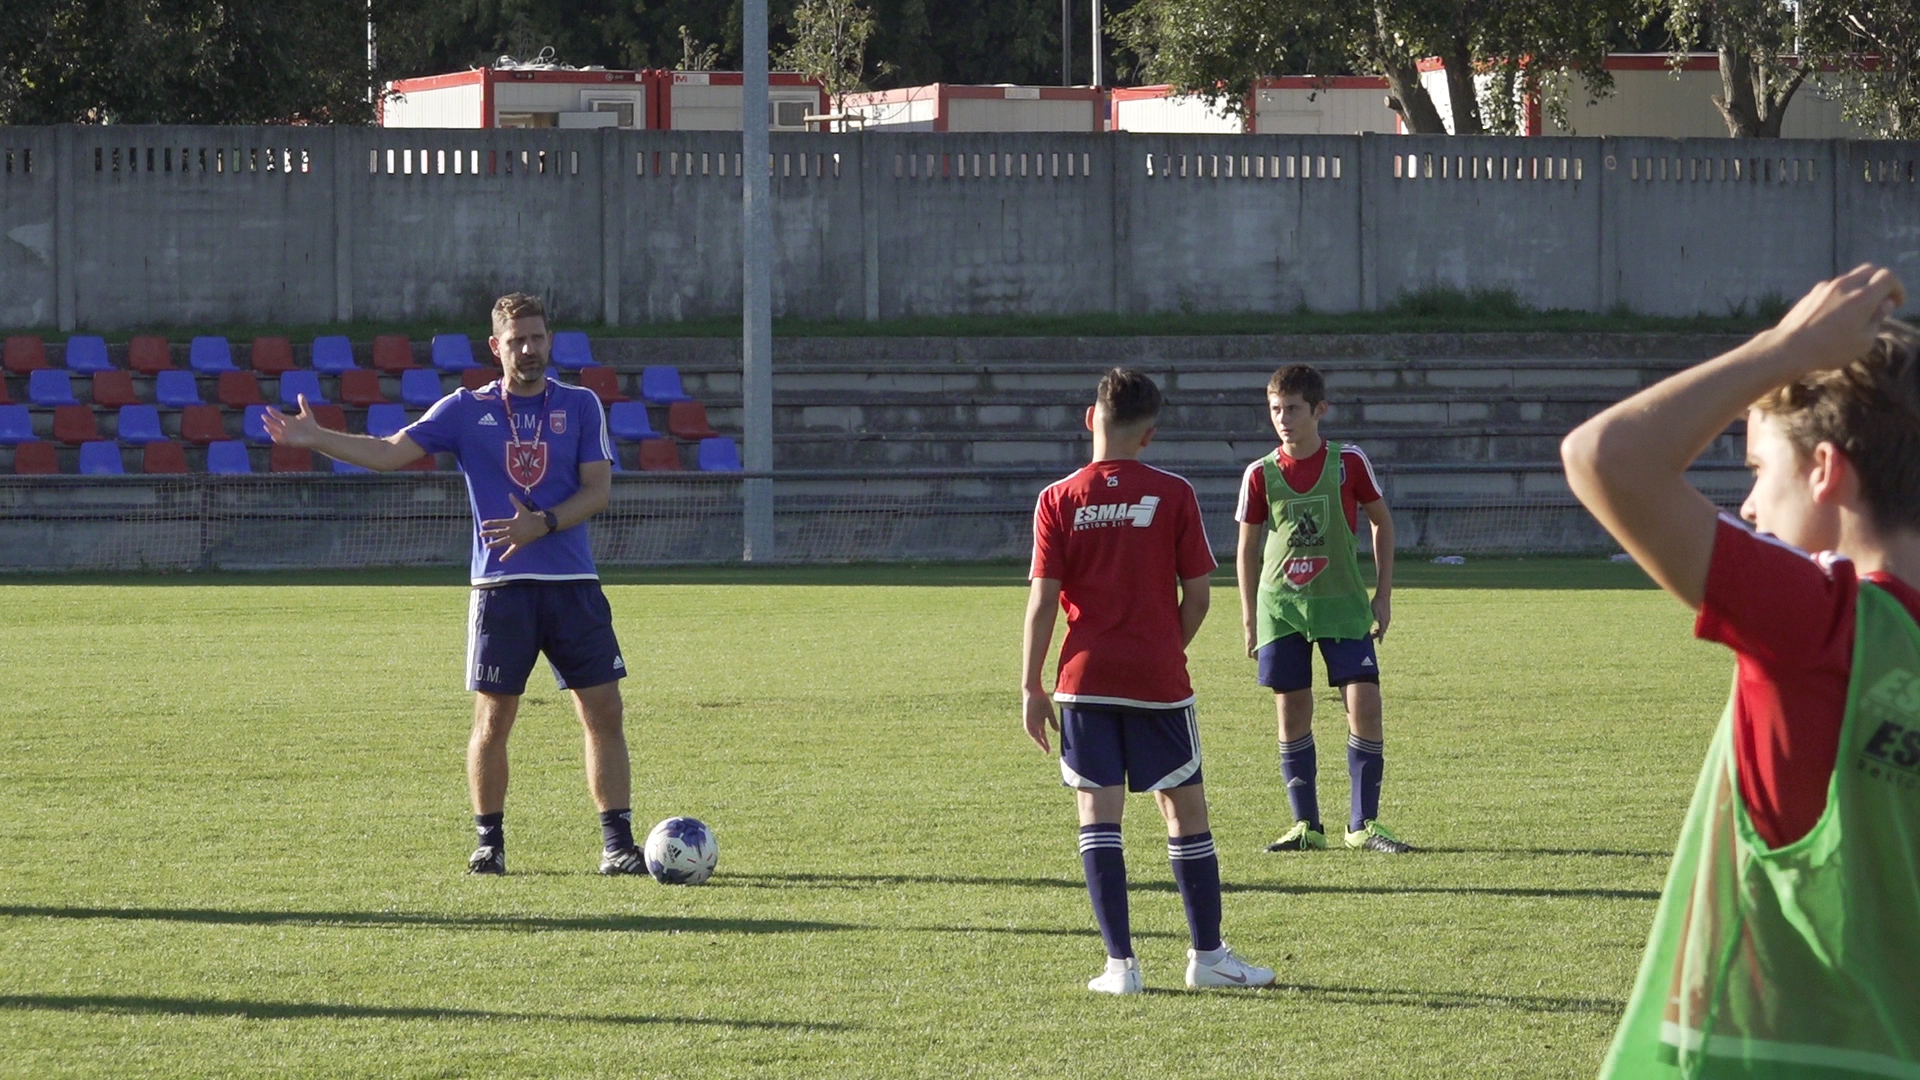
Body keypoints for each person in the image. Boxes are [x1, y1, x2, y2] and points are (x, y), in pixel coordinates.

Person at [1562, 264, 1920, 1077]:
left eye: (1759, 470)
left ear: (1825, 469)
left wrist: (1783, 349)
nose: (1749, 506)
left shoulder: (1822, 625)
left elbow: (1604, 456)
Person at [263, 293, 647, 877]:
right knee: (493, 720)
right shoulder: (465, 409)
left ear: (549, 341)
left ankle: (617, 846)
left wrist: (541, 524)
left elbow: (598, 491)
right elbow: (390, 453)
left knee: (604, 711)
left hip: (572, 583)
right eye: (516, 340)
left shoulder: (580, 404)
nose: (529, 349)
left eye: (537, 337)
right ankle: (489, 844)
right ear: (496, 346)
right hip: (501, 588)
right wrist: (317, 439)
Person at [1022, 367, 1276, 995]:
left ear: (1091, 419)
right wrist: (1161, 647)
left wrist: (1031, 686)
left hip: (1083, 681)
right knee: (1185, 812)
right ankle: (1208, 957)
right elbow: (1200, 596)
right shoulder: (1173, 492)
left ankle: (1120, 967)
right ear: (1150, 434)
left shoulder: (1057, 498)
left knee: (1097, 816)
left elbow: (1043, 602)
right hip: (1158, 681)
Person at [1235, 364, 1408, 854]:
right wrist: (1248, 616)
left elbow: (1381, 522)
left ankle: (1363, 824)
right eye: (1275, 409)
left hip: (1343, 605)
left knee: (1365, 705)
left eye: (1292, 409)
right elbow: (1246, 549)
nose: (1283, 419)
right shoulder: (1259, 473)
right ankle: (1306, 826)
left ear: (1319, 410)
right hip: (1282, 607)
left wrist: (1383, 594)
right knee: (1292, 711)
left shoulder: (1348, 462)